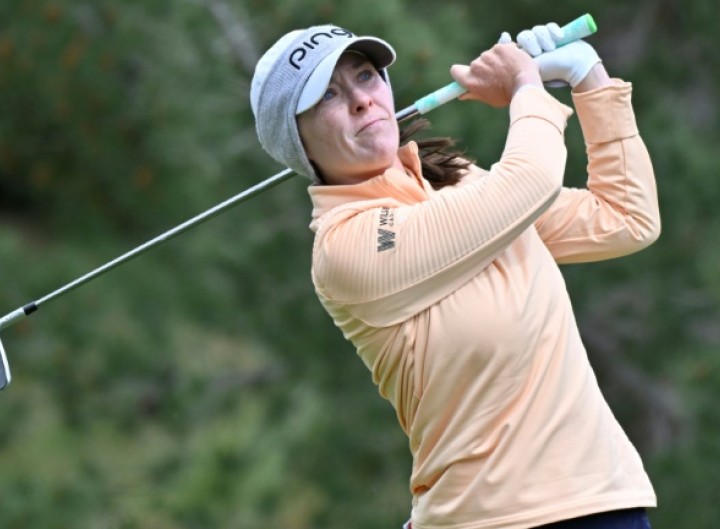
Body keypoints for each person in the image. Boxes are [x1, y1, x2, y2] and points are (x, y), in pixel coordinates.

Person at [249, 20, 660, 529]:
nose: (361, 100)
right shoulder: (346, 248)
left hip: (603, 500)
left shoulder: (461, 181)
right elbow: (530, 179)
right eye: (330, 95)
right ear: (299, 141)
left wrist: (585, 74)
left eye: (366, 76)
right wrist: (526, 87)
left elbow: (624, 218)